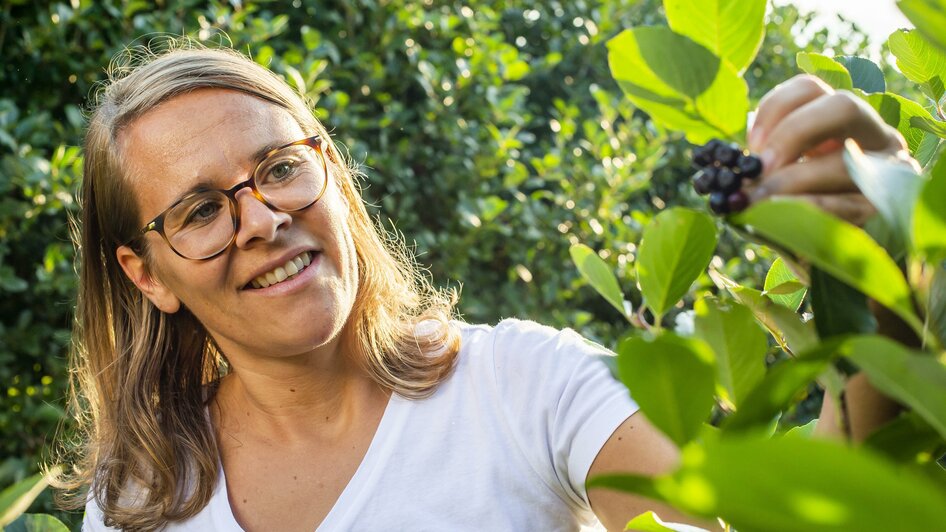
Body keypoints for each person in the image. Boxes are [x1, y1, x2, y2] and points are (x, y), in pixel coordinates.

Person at [64, 40, 911, 532]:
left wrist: (882, 289)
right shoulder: (139, 501)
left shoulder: (524, 387)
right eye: (201, 210)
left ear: (334, 174)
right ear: (148, 274)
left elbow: (791, 520)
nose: (260, 220)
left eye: (279, 168)